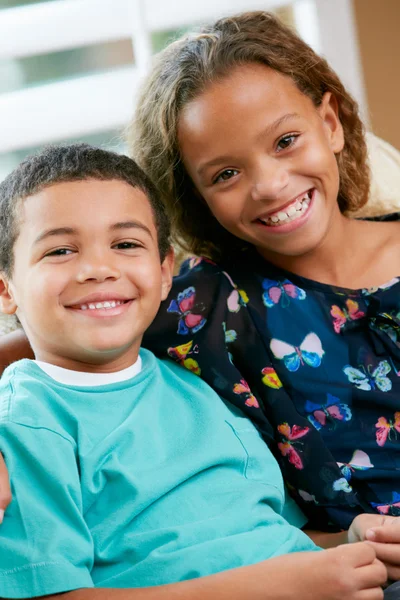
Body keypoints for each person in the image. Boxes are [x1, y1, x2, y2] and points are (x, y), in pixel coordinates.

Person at [0, 9, 400, 591]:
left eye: (286, 141)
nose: (268, 184)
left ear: (331, 124)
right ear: (196, 197)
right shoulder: (198, 310)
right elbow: (50, 348)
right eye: (225, 174)